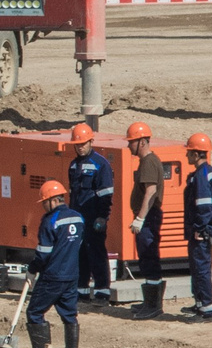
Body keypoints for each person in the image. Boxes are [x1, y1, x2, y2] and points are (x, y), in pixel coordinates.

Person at [26, 178, 85, 348]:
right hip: (72, 276)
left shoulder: (50, 220)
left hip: (52, 276)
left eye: (45, 202)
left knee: (34, 312)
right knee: (69, 316)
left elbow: (43, 253)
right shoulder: (78, 217)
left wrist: (32, 269)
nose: (44, 206)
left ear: (52, 200)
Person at [64, 121, 116, 304]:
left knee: (97, 253)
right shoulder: (73, 166)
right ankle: (82, 291)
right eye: (77, 145)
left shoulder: (100, 165)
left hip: (94, 218)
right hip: (78, 219)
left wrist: (103, 217)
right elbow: (73, 194)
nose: (80, 147)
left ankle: (102, 292)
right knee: (80, 254)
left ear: (91, 142)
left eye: (83, 144)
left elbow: (106, 194)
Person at [124, 120, 169, 320]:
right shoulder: (147, 162)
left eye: (131, 142)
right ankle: (150, 302)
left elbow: (150, 191)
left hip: (149, 218)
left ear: (142, 142)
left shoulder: (149, 162)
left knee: (149, 258)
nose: (128, 145)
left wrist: (140, 218)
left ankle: (153, 305)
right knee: (146, 258)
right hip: (148, 217)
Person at [181, 132, 212, 322]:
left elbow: (203, 206)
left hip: (202, 231)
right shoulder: (210, 172)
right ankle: (200, 303)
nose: (186, 156)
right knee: (200, 267)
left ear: (196, 154)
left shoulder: (201, 175)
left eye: (189, 152)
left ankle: (208, 309)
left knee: (200, 268)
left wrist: (199, 228)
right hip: (208, 228)